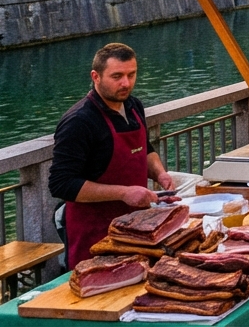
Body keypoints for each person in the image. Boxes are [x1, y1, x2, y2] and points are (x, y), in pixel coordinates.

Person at [49, 43, 177, 267]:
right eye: (117, 76)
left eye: (131, 74)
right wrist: (124, 193)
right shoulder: (79, 121)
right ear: (95, 76)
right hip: (95, 234)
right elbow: (61, 184)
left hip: (137, 228)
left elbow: (144, 148)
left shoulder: (134, 106)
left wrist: (160, 173)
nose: (126, 83)